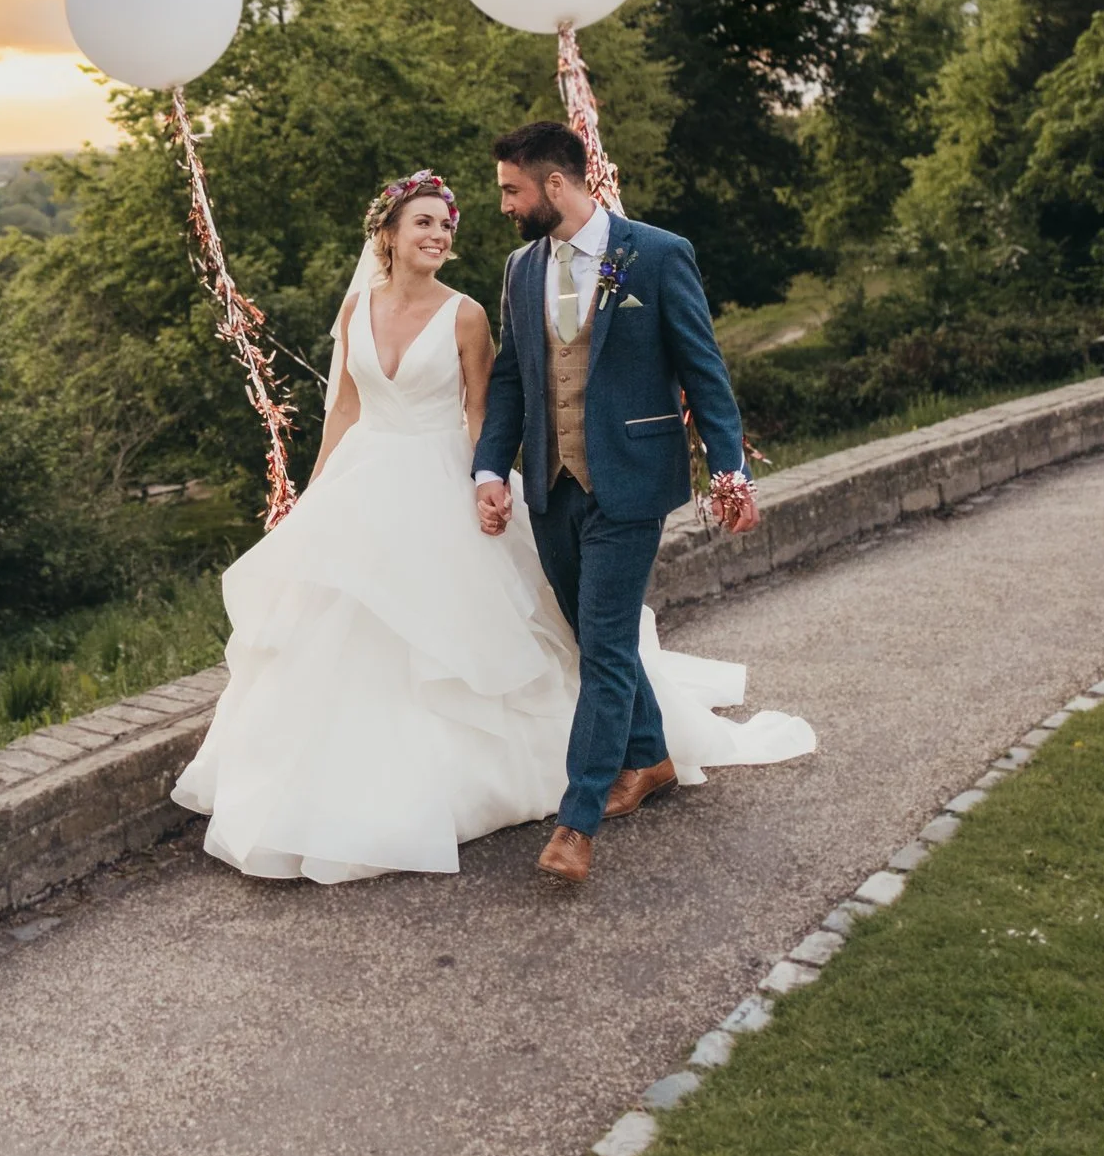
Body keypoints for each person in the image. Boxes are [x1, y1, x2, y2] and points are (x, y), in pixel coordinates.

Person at [171, 157, 809, 884]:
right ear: (386, 231)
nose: (441, 234)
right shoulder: (364, 308)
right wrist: (307, 500)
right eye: (425, 223)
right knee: (359, 637)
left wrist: (488, 481)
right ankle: (640, 749)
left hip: (457, 485)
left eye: (448, 224)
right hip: (362, 489)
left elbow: (489, 405)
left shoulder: (470, 310)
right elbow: (345, 410)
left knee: (565, 639)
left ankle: (581, 814)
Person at [471, 121, 777, 883]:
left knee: (604, 647)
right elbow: (512, 379)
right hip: (549, 483)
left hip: (633, 481)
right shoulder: (518, 269)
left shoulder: (658, 254)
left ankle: (576, 825)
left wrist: (730, 469)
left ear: (554, 186)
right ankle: (652, 755)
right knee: (595, 638)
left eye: (512, 188)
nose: (505, 204)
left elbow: (704, 372)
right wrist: (487, 470)